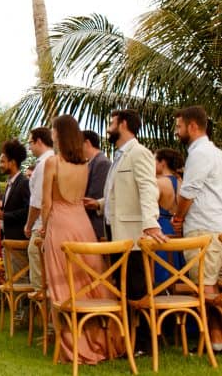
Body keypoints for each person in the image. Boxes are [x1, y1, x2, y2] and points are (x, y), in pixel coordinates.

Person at [41, 114, 122, 364]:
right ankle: (101, 338)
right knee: (89, 281)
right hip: (83, 224)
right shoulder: (84, 164)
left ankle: (73, 343)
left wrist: (43, 230)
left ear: (59, 134)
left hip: (61, 224)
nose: (52, 134)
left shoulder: (53, 163)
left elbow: (46, 202)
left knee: (63, 285)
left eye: (54, 130)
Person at [83, 109, 165, 355]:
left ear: (124, 124)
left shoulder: (138, 153)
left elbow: (148, 189)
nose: (108, 127)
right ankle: (130, 341)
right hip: (115, 232)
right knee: (124, 288)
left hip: (133, 234)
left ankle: (147, 343)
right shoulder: (118, 156)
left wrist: (151, 221)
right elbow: (120, 195)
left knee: (137, 290)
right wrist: (98, 204)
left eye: (111, 123)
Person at [171, 106, 222, 349]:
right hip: (214, 225)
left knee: (206, 286)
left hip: (203, 227)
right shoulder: (215, 153)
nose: (176, 132)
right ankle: (214, 341)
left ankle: (215, 340)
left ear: (193, 126)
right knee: (210, 285)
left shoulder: (200, 153)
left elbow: (188, 192)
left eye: (179, 126)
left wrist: (178, 217)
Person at [0, 139, 30, 282]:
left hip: (19, 241)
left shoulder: (24, 182)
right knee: (11, 280)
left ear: (12, 162)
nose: (0, 165)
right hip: (9, 240)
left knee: (20, 280)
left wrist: (4, 215)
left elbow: (28, 211)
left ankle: (21, 305)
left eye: (2, 161)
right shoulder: (9, 184)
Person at [24, 127, 55, 292]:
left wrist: (28, 225)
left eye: (30, 142)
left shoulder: (44, 164)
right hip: (56, 222)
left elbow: (38, 201)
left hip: (42, 225)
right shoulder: (58, 159)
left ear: (39, 141)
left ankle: (44, 311)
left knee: (39, 274)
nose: (29, 147)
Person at [153, 148, 185, 283]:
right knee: (177, 270)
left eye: (154, 159)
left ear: (163, 163)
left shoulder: (159, 183)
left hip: (161, 228)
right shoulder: (181, 182)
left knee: (161, 270)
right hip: (177, 229)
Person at [82, 130, 111, 241]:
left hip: (96, 225)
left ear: (87, 143)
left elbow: (94, 197)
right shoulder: (91, 163)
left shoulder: (101, 162)